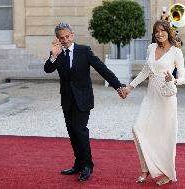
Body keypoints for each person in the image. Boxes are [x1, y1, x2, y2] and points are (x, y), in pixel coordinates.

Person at [44, 22, 126, 181]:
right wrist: (53, 55)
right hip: (67, 99)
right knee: (72, 131)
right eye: (62, 38)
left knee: (79, 129)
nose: (65, 40)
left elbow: (102, 69)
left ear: (72, 35)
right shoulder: (57, 53)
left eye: (67, 36)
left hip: (83, 98)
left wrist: (118, 86)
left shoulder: (84, 51)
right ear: (58, 39)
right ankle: (78, 163)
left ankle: (88, 165)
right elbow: (47, 69)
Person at [123, 20, 185, 186]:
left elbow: (183, 78)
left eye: (162, 30)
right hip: (151, 94)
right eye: (156, 31)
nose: (159, 34)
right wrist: (130, 87)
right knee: (138, 128)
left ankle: (167, 172)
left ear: (168, 32)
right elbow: (146, 70)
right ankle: (146, 168)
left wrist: (173, 79)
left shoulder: (176, 52)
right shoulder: (151, 47)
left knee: (165, 136)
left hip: (166, 96)